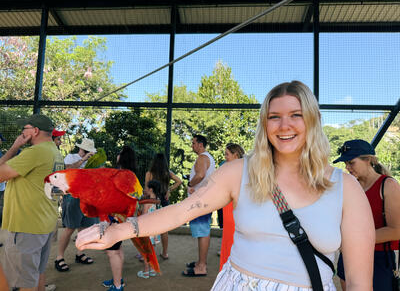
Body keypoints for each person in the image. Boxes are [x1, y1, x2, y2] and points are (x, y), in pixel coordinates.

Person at [76, 81, 375, 290]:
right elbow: (181, 211)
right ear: (265, 124)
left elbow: (360, 282)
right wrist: (119, 229)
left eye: (296, 115)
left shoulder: (346, 189)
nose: (285, 125)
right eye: (274, 117)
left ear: (312, 120)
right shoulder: (239, 172)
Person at [0, 114, 64, 291]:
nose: (21, 132)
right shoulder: (54, 152)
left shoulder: (35, 152)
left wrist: (14, 147)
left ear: (35, 131)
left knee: (22, 282)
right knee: (36, 274)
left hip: (27, 226)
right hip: (44, 223)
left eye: (24, 129)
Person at [333, 139, 400, 291]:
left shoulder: (388, 185)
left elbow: (396, 230)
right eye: (345, 164)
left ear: (368, 159)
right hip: (349, 255)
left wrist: (353, 241)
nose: (347, 168)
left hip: (379, 258)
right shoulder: (350, 186)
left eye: (351, 162)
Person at [55, 138, 98, 272]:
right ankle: (59, 257)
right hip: (72, 197)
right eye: (88, 151)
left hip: (87, 198)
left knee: (84, 228)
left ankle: (80, 254)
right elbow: (66, 170)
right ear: (83, 149)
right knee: (69, 228)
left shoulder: (92, 162)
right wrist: (83, 159)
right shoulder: (70, 157)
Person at [102, 145, 140, 291]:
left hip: (115, 217)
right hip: (121, 217)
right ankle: (118, 279)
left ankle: (117, 286)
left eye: (119, 153)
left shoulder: (121, 175)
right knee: (117, 249)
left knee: (112, 251)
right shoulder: (130, 174)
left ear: (123, 157)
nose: (117, 155)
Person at [183, 134, 215, 277]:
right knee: (202, 231)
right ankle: (200, 262)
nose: (192, 145)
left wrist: (190, 184)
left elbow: (200, 175)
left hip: (200, 201)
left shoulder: (202, 157)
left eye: (194, 143)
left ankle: (201, 266)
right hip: (203, 199)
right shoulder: (207, 157)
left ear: (200, 144)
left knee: (202, 232)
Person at [145, 153, 182, 260]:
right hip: (164, 202)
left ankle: (149, 254)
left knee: (149, 228)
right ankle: (165, 253)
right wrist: (169, 190)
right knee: (164, 229)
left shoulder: (149, 173)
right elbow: (179, 181)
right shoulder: (168, 173)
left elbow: (147, 189)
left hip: (152, 202)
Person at [219, 143, 245, 271]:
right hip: (231, 208)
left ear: (235, 155)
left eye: (227, 154)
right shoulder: (246, 168)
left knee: (230, 240)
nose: (225, 157)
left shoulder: (231, 169)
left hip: (232, 209)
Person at [137, 180, 162, 279]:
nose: (144, 189)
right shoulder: (157, 200)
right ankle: (152, 270)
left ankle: (146, 271)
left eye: (146, 188)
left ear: (150, 189)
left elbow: (143, 216)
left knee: (145, 251)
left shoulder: (147, 203)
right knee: (152, 251)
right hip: (154, 230)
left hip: (147, 230)